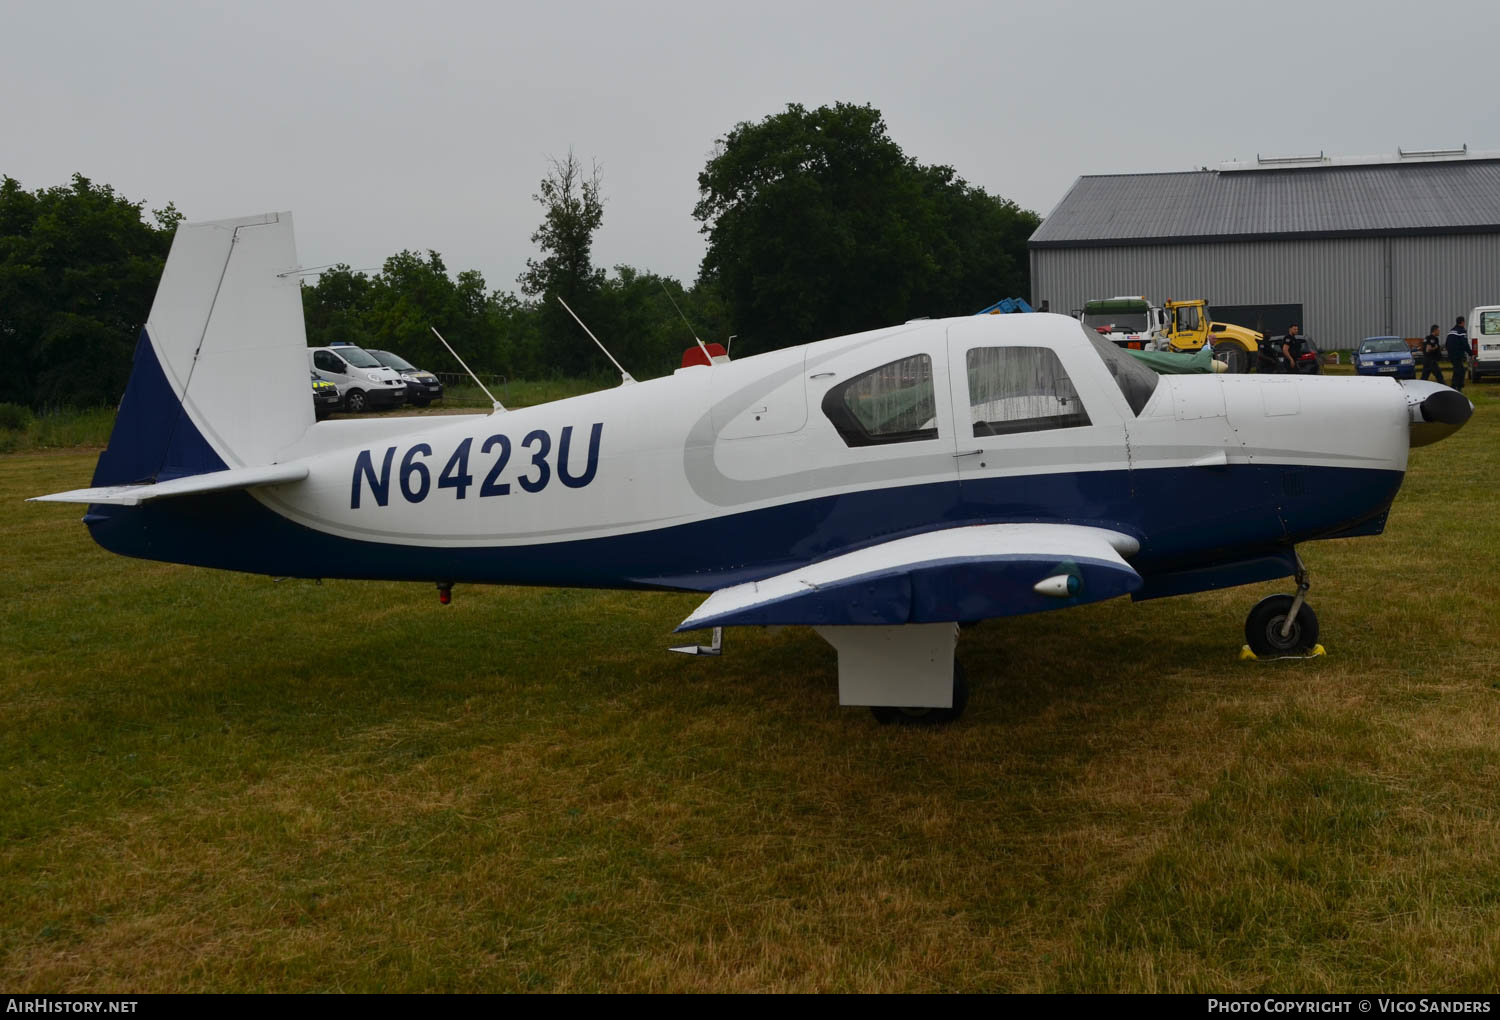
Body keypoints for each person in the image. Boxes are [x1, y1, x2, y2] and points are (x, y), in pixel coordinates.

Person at [1446, 316, 1469, 391]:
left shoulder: (1451, 331)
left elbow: (1447, 343)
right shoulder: (1461, 331)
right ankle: (1459, 387)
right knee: (1461, 371)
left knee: (1457, 370)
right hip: (1458, 355)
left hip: (1451, 355)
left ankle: (1453, 385)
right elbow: (1465, 344)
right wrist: (1471, 353)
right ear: (1462, 322)